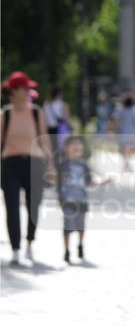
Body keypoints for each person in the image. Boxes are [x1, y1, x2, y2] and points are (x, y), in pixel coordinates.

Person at [1, 71, 56, 265]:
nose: (28, 91)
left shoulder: (36, 112)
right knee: (12, 208)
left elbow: (44, 140)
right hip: (10, 165)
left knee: (34, 206)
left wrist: (51, 165)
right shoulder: (5, 114)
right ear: (14, 91)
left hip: (34, 163)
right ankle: (15, 249)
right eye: (25, 88)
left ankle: (30, 243)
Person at [57, 135, 111, 264]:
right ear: (66, 148)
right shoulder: (62, 165)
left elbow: (89, 182)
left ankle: (80, 245)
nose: (77, 147)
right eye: (73, 144)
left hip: (82, 201)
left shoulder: (84, 166)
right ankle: (66, 250)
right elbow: (57, 182)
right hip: (67, 201)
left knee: (81, 225)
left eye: (79, 145)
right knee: (67, 227)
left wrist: (103, 182)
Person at [112, 94, 135, 173]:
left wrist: (115, 130)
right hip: (132, 132)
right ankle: (127, 164)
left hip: (123, 132)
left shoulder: (120, 110)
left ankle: (126, 164)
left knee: (122, 149)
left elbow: (117, 121)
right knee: (131, 149)